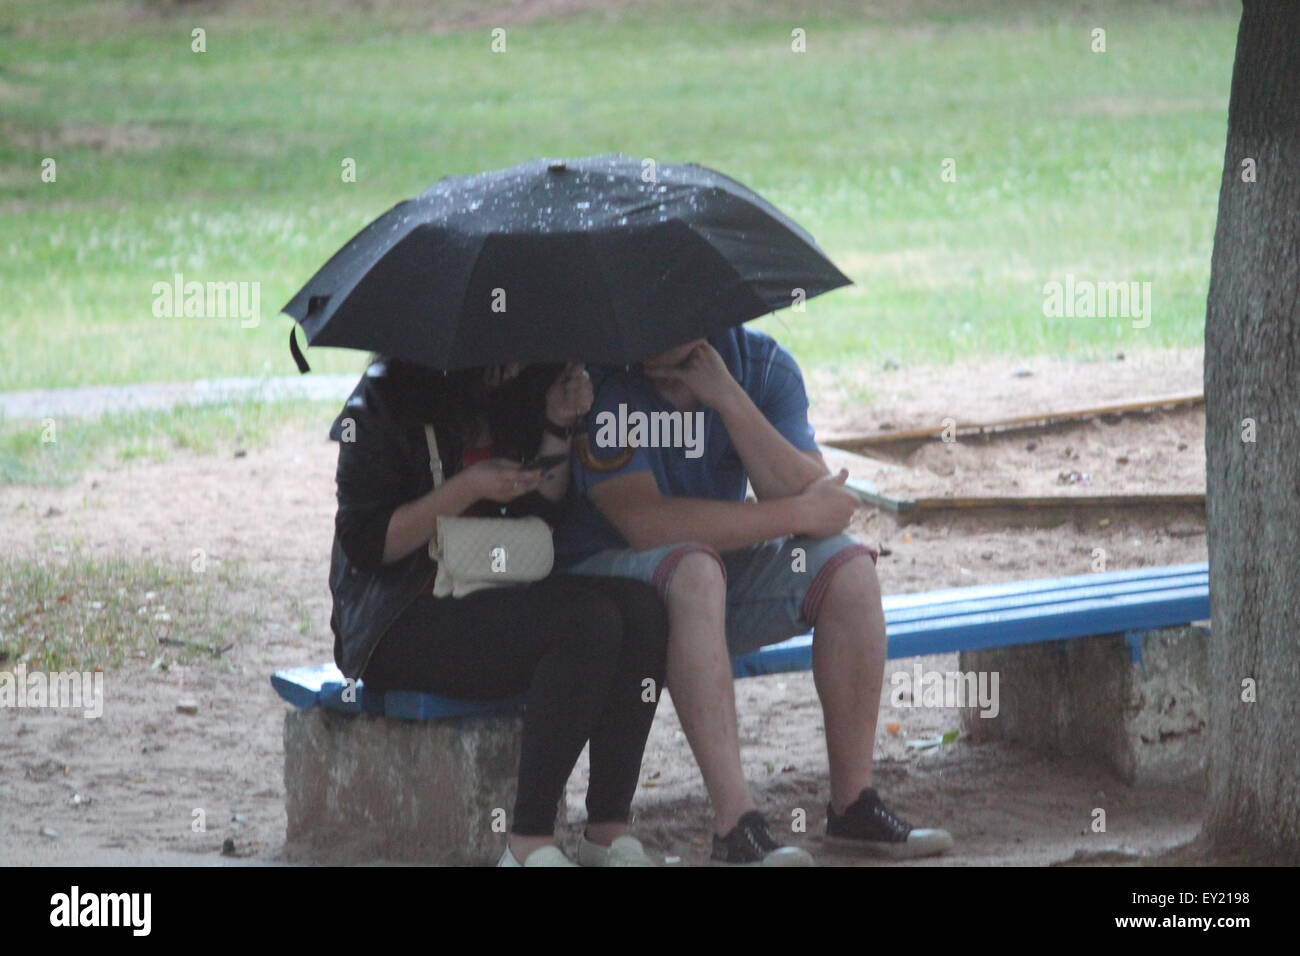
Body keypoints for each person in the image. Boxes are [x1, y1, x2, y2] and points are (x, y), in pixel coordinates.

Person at [555, 326, 954, 866]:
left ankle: (852, 806)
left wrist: (730, 399)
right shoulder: (601, 376)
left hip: (711, 575)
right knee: (695, 569)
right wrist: (795, 513)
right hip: (609, 589)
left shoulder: (762, 366)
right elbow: (645, 524)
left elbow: (823, 501)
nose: (658, 317)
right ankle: (736, 826)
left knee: (848, 568)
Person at [328, 356, 669, 867]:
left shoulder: (515, 391)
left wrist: (556, 423)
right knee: (585, 622)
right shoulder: (379, 402)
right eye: (497, 351)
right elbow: (369, 545)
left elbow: (541, 514)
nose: (508, 364)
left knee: (642, 609)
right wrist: (467, 488)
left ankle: (607, 831)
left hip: (490, 592)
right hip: (397, 619)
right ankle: (528, 842)